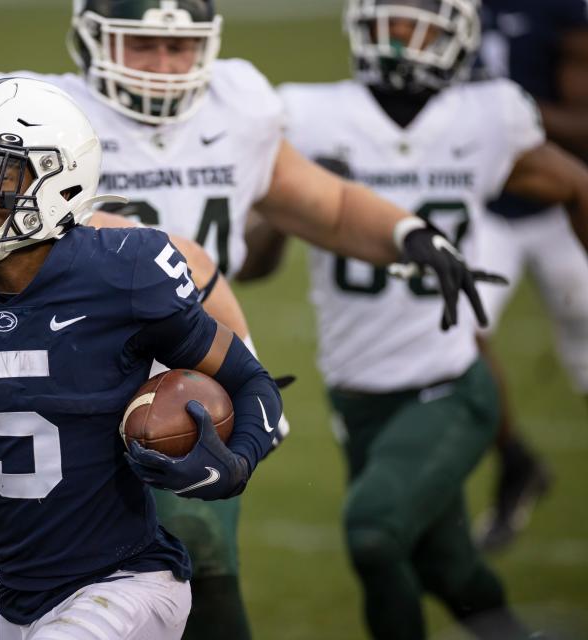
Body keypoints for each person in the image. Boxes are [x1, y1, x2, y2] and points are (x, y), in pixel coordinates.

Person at [0, 1, 508, 637]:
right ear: (91, 41)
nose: (164, 66)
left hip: (188, 376)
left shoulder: (237, 107)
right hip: (68, 379)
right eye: (142, 45)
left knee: (195, 543)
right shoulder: (41, 114)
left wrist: (405, 233)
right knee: (68, 582)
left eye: (180, 48)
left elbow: (327, 204)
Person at [0, 76, 287, 640]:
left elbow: (250, 381)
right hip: (21, 602)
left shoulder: (126, 271)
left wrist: (235, 464)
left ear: (58, 180)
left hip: (130, 584)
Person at [261, 0, 588, 637]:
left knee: (374, 533)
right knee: (447, 564)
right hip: (356, 392)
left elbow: (575, 184)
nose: (400, 41)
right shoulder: (306, 114)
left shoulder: (486, 116)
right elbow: (253, 262)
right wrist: (295, 201)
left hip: (451, 382)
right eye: (389, 22)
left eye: (416, 25)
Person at [470, 0, 588, 551]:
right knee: (453, 335)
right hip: (485, 208)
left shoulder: (560, 10)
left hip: (561, 203)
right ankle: (516, 462)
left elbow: (584, 123)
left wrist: (497, 115)